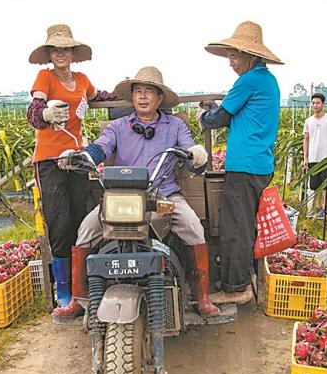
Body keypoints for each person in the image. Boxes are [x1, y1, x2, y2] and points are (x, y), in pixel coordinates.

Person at [61, 66, 219, 318]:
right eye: (137, 91)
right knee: (87, 229)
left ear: (160, 98)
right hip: (121, 197)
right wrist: (84, 156)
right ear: (132, 97)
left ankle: (201, 297)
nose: (142, 97)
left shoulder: (175, 126)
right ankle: (79, 300)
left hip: (163, 194)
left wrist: (196, 154)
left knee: (193, 227)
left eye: (149, 92)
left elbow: (190, 151)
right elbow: (100, 147)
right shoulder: (117, 127)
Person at [26, 24, 113, 319]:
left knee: (80, 217)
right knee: (59, 220)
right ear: (49, 54)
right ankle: (63, 291)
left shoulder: (83, 79)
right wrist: (46, 115)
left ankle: (81, 286)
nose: (61, 54)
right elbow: (34, 111)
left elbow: (98, 95)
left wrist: (124, 94)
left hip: (76, 156)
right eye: (56, 49)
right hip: (50, 159)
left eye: (66, 49)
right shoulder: (45, 77)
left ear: (73, 54)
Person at [198, 21, 282, 305]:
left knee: (236, 227)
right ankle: (244, 281)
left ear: (252, 56)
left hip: (245, 165)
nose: (232, 62)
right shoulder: (267, 80)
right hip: (259, 163)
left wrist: (203, 118)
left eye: (236, 56)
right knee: (246, 224)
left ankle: (237, 287)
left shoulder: (249, 80)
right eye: (230, 57)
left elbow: (218, 118)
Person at [302, 92, 327, 219]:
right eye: (313, 103)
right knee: (315, 184)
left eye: (317, 103)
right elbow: (306, 139)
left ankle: (326, 208)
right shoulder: (308, 121)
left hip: (326, 157)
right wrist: (305, 157)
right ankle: (317, 207)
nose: (315, 105)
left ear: (323, 104)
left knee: (325, 184)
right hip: (313, 157)